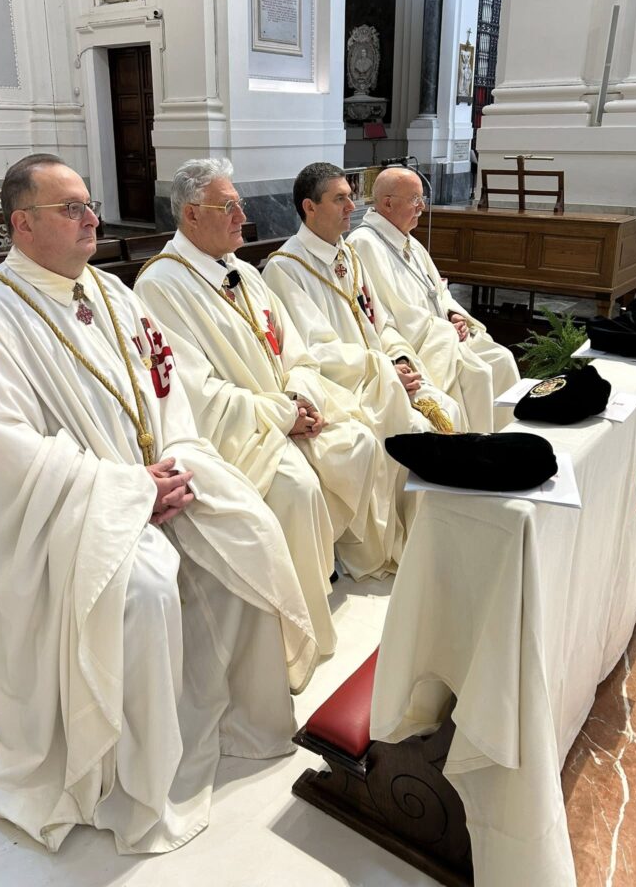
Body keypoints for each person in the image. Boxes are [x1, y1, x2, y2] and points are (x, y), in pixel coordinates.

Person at [0, 154, 316, 856]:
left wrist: (175, 467)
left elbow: (166, 392)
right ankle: (138, 777)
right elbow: (7, 456)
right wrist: (130, 490)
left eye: (89, 203)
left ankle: (240, 718)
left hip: (154, 478)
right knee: (143, 589)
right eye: (71, 209)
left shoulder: (112, 292)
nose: (92, 218)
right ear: (22, 224)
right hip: (69, 511)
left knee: (248, 526)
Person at [135, 160, 401, 639]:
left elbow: (293, 348)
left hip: (282, 410)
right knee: (297, 489)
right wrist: (282, 414)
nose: (243, 217)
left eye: (239, 204)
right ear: (191, 215)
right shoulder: (160, 286)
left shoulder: (241, 270)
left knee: (359, 440)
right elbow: (196, 393)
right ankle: (294, 623)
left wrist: (300, 397)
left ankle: (329, 566)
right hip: (236, 432)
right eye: (229, 207)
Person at [262, 163, 464, 552]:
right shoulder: (285, 269)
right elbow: (314, 351)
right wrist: (382, 370)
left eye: (351, 197)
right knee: (414, 431)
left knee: (446, 408)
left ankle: (435, 537)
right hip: (343, 387)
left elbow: (381, 324)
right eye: (340, 198)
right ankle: (403, 545)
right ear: (309, 207)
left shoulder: (349, 257)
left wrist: (399, 358)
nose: (351, 207)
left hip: (381, 374)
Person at [349, 166, 520, 432]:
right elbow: (385, 313)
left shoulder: (407, 240)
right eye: (415, 199)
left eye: (422, 199)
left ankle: (508, 439)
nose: (422, 207)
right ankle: (479, 446)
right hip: (418, 343)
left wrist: (454, 314)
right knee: (478, 374)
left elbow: (437, 290)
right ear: (388, 203)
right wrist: (445, 328)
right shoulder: (364, 244)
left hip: (442, 333)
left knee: (503, 359)